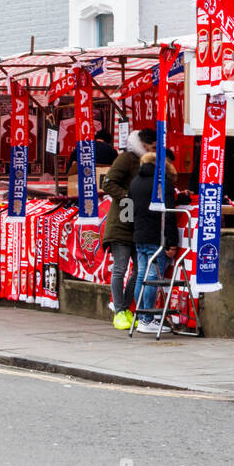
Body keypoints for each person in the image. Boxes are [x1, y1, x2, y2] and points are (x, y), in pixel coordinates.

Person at [101, 128, 155, 330]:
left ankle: (124, 307)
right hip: (121, 222)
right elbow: (108, 183)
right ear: (143, 145)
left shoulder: (147, 162)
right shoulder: (127, 158)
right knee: (120, 267)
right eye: (152, 147)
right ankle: (119, 311)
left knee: (139, 269)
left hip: (137, 224)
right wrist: (128, 198)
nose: (154, 150)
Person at [127, 149, 179, 335]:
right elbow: (169, 216)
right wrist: (171, 242)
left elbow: (129, 209)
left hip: (140, 235)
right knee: (152, 277)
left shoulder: (135, 182)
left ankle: (142, 317)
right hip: (157, 236)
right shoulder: (162, 183)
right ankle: (147, 320)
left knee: (142, 275)